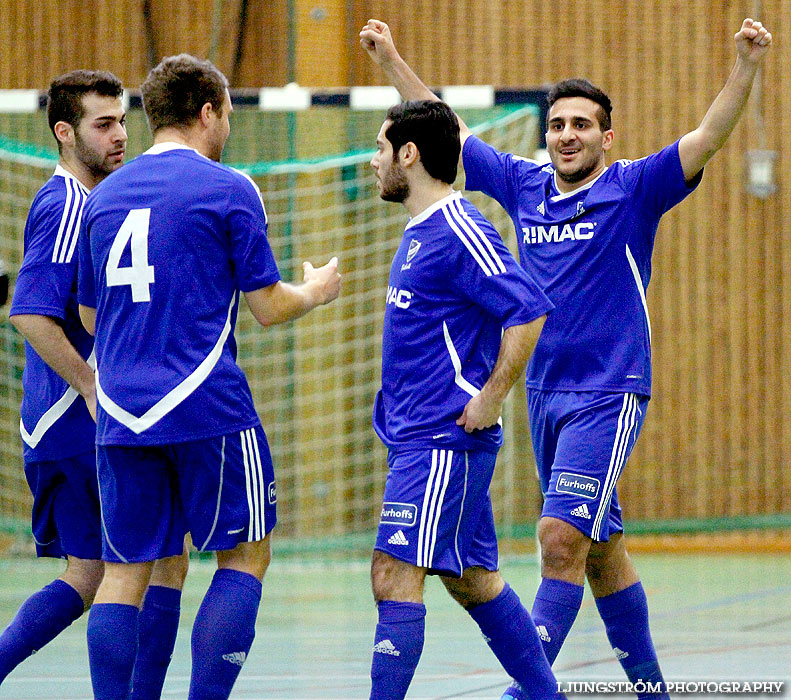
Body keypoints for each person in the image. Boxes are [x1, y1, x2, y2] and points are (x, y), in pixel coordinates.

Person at [360, 17, 772, 700]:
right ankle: (652, 693)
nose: (566, 135)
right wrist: (392, 61)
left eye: (581, 125)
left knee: (557, 538)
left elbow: (708, 137)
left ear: (604, 138)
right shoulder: (523, 184)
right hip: (542, 392)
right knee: (601, 553)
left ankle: (530, 692)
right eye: (556, 125)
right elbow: (445, 133)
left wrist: (745, 67)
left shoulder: (634, 188)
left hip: (609, 391)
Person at [76, 54, 341, 700]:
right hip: (205, 406)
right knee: (244, 556)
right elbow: (267, 305)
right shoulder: (229, 188)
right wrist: (314, 290)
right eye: (225, 113)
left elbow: (87, 313)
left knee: (124, 572)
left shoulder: (104, 196)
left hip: (118, 409)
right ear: (208, 112)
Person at [367, 99, 561, 700]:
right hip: (421, 440)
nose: (373, 161)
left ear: (409, 154)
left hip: (442, 442)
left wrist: (491, 397)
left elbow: (527, 310)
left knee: (392, 575)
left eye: (380, 148)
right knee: (474, 580)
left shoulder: (459, 228)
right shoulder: (423, 230)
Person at [3, 70, 188, 698]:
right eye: (103, 124)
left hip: (64, 425)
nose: (120, 135)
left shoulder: (100, 202)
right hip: (77, 423)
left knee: (98, 574)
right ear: (65, 132)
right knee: (150, 563)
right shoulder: (68, 205)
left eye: (123, 120)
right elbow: (29, 312)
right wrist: (88, 386)